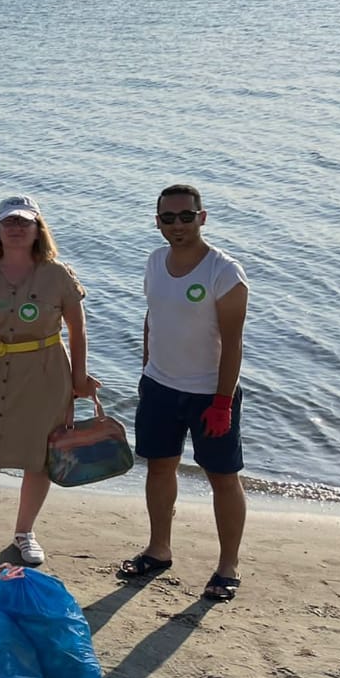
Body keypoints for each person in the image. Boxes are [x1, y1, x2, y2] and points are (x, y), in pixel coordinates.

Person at [0, 195, 100, 568]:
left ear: (37, 230)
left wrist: (79, 378)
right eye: (9, 222)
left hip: (45, 373)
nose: (16, 228)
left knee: (38, 460)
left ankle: (25, 533)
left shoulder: (59, 275)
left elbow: (78, 331)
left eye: (24, 222)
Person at [119, 184, 249, 601]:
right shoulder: (155, 262)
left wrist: (223, 403)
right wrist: (145, 371)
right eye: (168, 218)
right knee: (159, 469)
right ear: (157, 221)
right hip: (160, 386)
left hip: (209, 394)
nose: (177, 225)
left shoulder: (224, 273)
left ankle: (227, 565)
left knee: (223, 479)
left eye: (186, 216)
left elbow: (234, 345)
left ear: (202, 217)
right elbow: (152, 317)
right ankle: (159, 550)